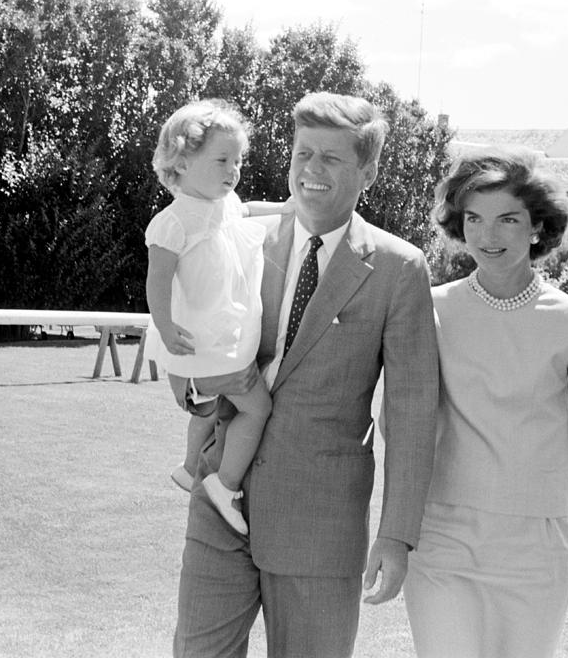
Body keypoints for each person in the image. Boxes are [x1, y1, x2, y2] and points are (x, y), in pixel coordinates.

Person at [173, 92, 439, 658]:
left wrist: (396, 536)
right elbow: (196, 346)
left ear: (366, 171)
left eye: (332, 159)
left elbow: (414, 416)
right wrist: (196, 388)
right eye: (303, 153)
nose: (311, 170)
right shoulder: (241, 236)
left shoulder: (399, 269)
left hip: (321, 522)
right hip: (222, 499)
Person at [403, 146, 568, 658]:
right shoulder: (429, 309)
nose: (487, 235)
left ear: (537, 227)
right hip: (442, 540)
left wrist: (531, 494)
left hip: (534, 549)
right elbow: (402, 418)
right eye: (473, 218)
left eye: (506, 219)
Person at [145, 98, 287, 534]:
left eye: (238, 161)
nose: (234, 170)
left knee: (205, 412)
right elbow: (157, 282)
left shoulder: (225, 204)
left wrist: (291, 209)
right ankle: (224, 483)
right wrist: (166, 328)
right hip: (202, 344)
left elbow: (248, 211)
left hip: (218, 340)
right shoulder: (173, 223)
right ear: (182, 161)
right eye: (222, 159)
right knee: (257, 410)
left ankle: (190, 467)